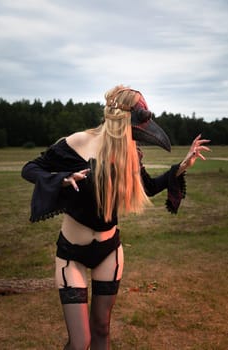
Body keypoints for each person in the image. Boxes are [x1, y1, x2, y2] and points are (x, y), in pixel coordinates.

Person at [21, 85, 210, 350]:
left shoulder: (129, 153)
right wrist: (62, 179)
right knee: (80, 342)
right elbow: (31, 168)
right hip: (71, 254)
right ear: (121, 118)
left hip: (109, 251)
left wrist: (182, 166)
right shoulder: (79, 141)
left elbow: (148, 187)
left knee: (101, 331)